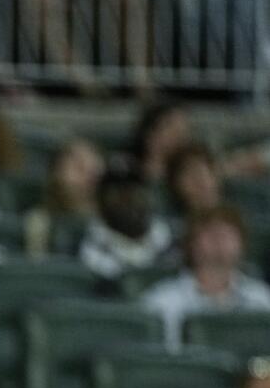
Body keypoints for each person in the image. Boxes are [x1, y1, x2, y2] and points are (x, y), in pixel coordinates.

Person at [142, 207, 270, 350]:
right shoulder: (162, 301)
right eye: (210, 233)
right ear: (191, 244)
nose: (219, 239)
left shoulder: (262, 299)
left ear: (242, 244)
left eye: (228, 233)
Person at [78, 163, 176, 283]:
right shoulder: (88, 244)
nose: (129, 201)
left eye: (136, 192)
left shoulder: (168, 240)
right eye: (117, 194)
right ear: (100, 203)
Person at [23, 138, 103, 258]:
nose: (89, 173)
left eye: (93, 167)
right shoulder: (40, 220)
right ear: (56, 175)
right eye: (78, 166)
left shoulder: (115, 220)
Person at [131, 100, 193, 187]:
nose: (180, 135)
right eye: (172, 128)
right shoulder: (127, 172)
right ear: (151, 133)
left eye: (183, 129)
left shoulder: (187, 183)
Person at [165, 143, 223, 221]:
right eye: (188, 176)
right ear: (177, 187)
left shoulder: (241, 206)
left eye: (201, 172)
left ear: (215, 173)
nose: (198, 180)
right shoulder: (173, 226)